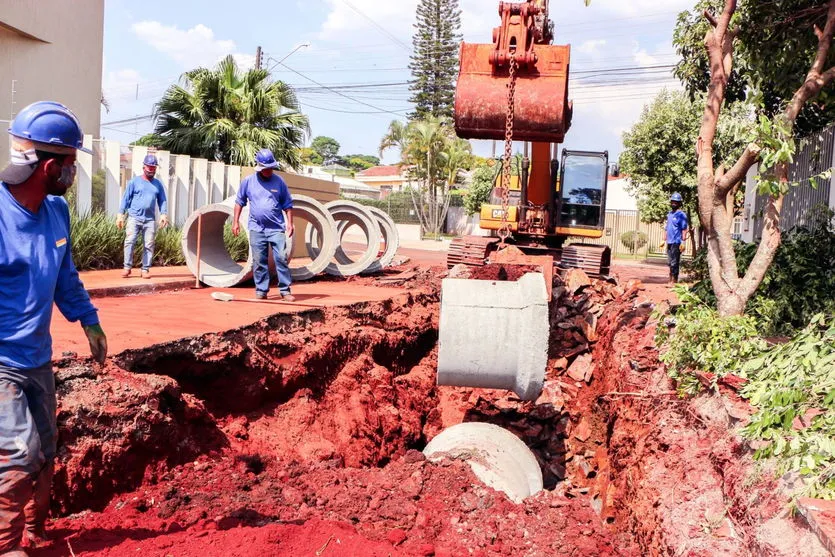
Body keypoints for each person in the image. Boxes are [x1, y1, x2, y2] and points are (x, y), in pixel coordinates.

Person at [0, 101, 108, 556]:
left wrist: (90, 321)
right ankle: (7, 547)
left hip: (38, 360)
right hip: (1, 362)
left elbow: (65, 277)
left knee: (44, 450)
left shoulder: (56, 213)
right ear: (49, 166)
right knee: (18, 455)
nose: (74, 172)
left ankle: (34, 532)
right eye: (71, 163)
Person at [232, 149, 296, 302]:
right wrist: (235, 222)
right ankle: (261, 290)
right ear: (259, 167)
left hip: (276, 228)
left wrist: (290, 223)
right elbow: (239, 202)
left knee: (281, 257)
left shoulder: (279, 182)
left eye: (271, 168)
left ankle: (285, 290)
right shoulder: (248, 181)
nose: (269, 171)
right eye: (266, 169)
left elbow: (287, 204)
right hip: (256, 228)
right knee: (259, 260)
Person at [116, 154, 169, 279]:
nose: (151, 169)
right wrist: (120, 214)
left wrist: (163, 214)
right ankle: (127, 268)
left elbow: (162, 200)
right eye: (149, 167)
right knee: (129, 241)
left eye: (153, 167)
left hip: (149, 220)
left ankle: (145, 269)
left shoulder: (158, 185)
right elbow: (126, 198)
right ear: (144, 167)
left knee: (149, 244)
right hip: (134, 217)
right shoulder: (134, 182)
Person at [665, 192, 689, 284]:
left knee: (675, 262)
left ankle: (674, 281)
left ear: (679, 203)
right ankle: (670, 279)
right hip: (669, 242)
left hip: (676, 241)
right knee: (670, 262)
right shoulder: (669, 214)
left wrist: (683, 242)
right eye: (673, 201)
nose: (674, 203)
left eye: (676, 202)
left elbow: (684, 229)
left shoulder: (681, 215)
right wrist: (664, 240)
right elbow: (667, 228)